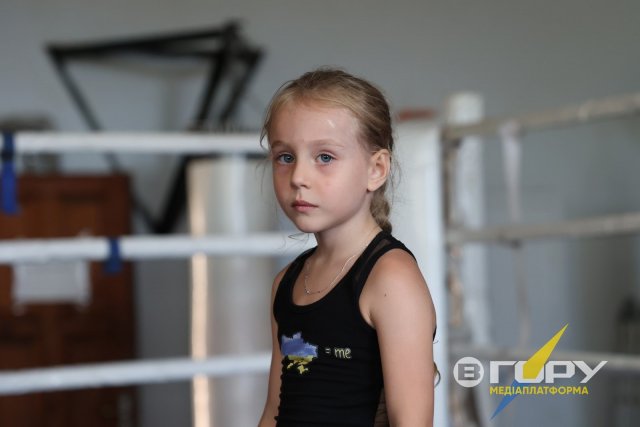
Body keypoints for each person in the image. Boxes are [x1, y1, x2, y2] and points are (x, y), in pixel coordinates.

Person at [258, 68, 437, 427]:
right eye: (285, 157)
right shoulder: (287, 282)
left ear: (376, 169)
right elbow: (273, 411)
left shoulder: (390, 278)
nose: (298, 178)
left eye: (324, 157)